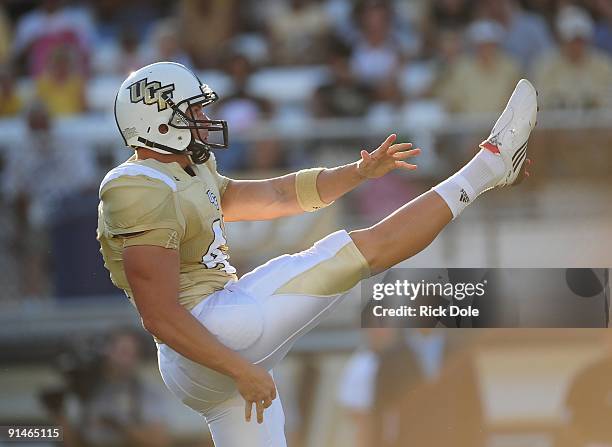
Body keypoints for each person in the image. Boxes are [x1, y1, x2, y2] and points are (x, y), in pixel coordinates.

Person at [97, 61, 536, 446]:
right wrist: (239, 367)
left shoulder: (187, 170)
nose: (203, 119)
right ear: (156, 121)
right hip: (212, 331)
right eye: (192, 112)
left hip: (207, 353)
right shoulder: (135, 186)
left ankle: (491, 170)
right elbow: (158, 314)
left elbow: (274, 195)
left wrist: (359, 172)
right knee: (360, 251)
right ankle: (489, 167)